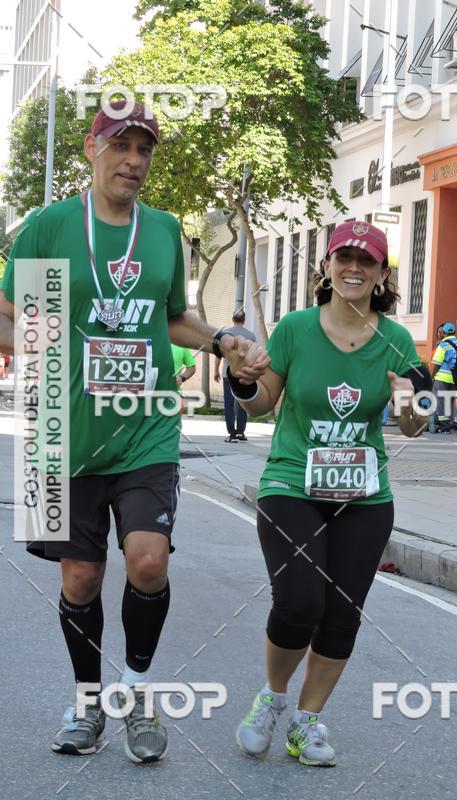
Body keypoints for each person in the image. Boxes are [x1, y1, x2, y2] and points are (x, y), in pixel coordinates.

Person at [0, 99, 269, 763]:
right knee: (80, 582)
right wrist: (43, 344)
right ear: (92, 150)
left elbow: (172, 317)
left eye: (144, 149)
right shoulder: (51, 227)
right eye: (121, 146)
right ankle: (88, 701)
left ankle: (139, 693)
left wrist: (223, 340)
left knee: (147, 560)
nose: (134, 161)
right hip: (62, 427)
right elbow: (8, 312)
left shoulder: (164, 232)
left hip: (145, 426)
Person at [232, 221, 432, 767]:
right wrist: (245, 382)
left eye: (366, 261)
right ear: (326, 266)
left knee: (342, 612)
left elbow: (413, 424)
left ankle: (307, 720)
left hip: (364, 495)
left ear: (381, 273)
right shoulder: (296, 328)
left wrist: (412, 404)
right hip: (292, 483)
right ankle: (272, 699)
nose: (354, 267)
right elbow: (261, 403)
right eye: (343, 257)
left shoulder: (397, 340)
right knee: (299, 602)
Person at [213, 309, 257, 442]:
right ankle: (241, 432)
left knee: (229, 403)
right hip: (244, 374)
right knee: (243, 403)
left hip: (228, 374)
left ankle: (232, 434)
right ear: (244, 320)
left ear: (233, 319)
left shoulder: (225, 334)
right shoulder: (251, 335)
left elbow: (218, 356)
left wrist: (215, 370)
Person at [431, 322, 457, 432]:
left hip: (442, 378)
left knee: (440, 402)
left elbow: (436, 365)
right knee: (449, 401)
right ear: (454, 332)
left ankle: (444, 427)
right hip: (455, 379)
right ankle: (445, 424)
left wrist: (432, 377)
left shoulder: (442, 345)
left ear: (444, 333)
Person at [171, 344, 196, 413]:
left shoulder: (180, 344)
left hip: (174, 395)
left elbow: (192, 368)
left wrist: (182, 378)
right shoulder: (153, 341)